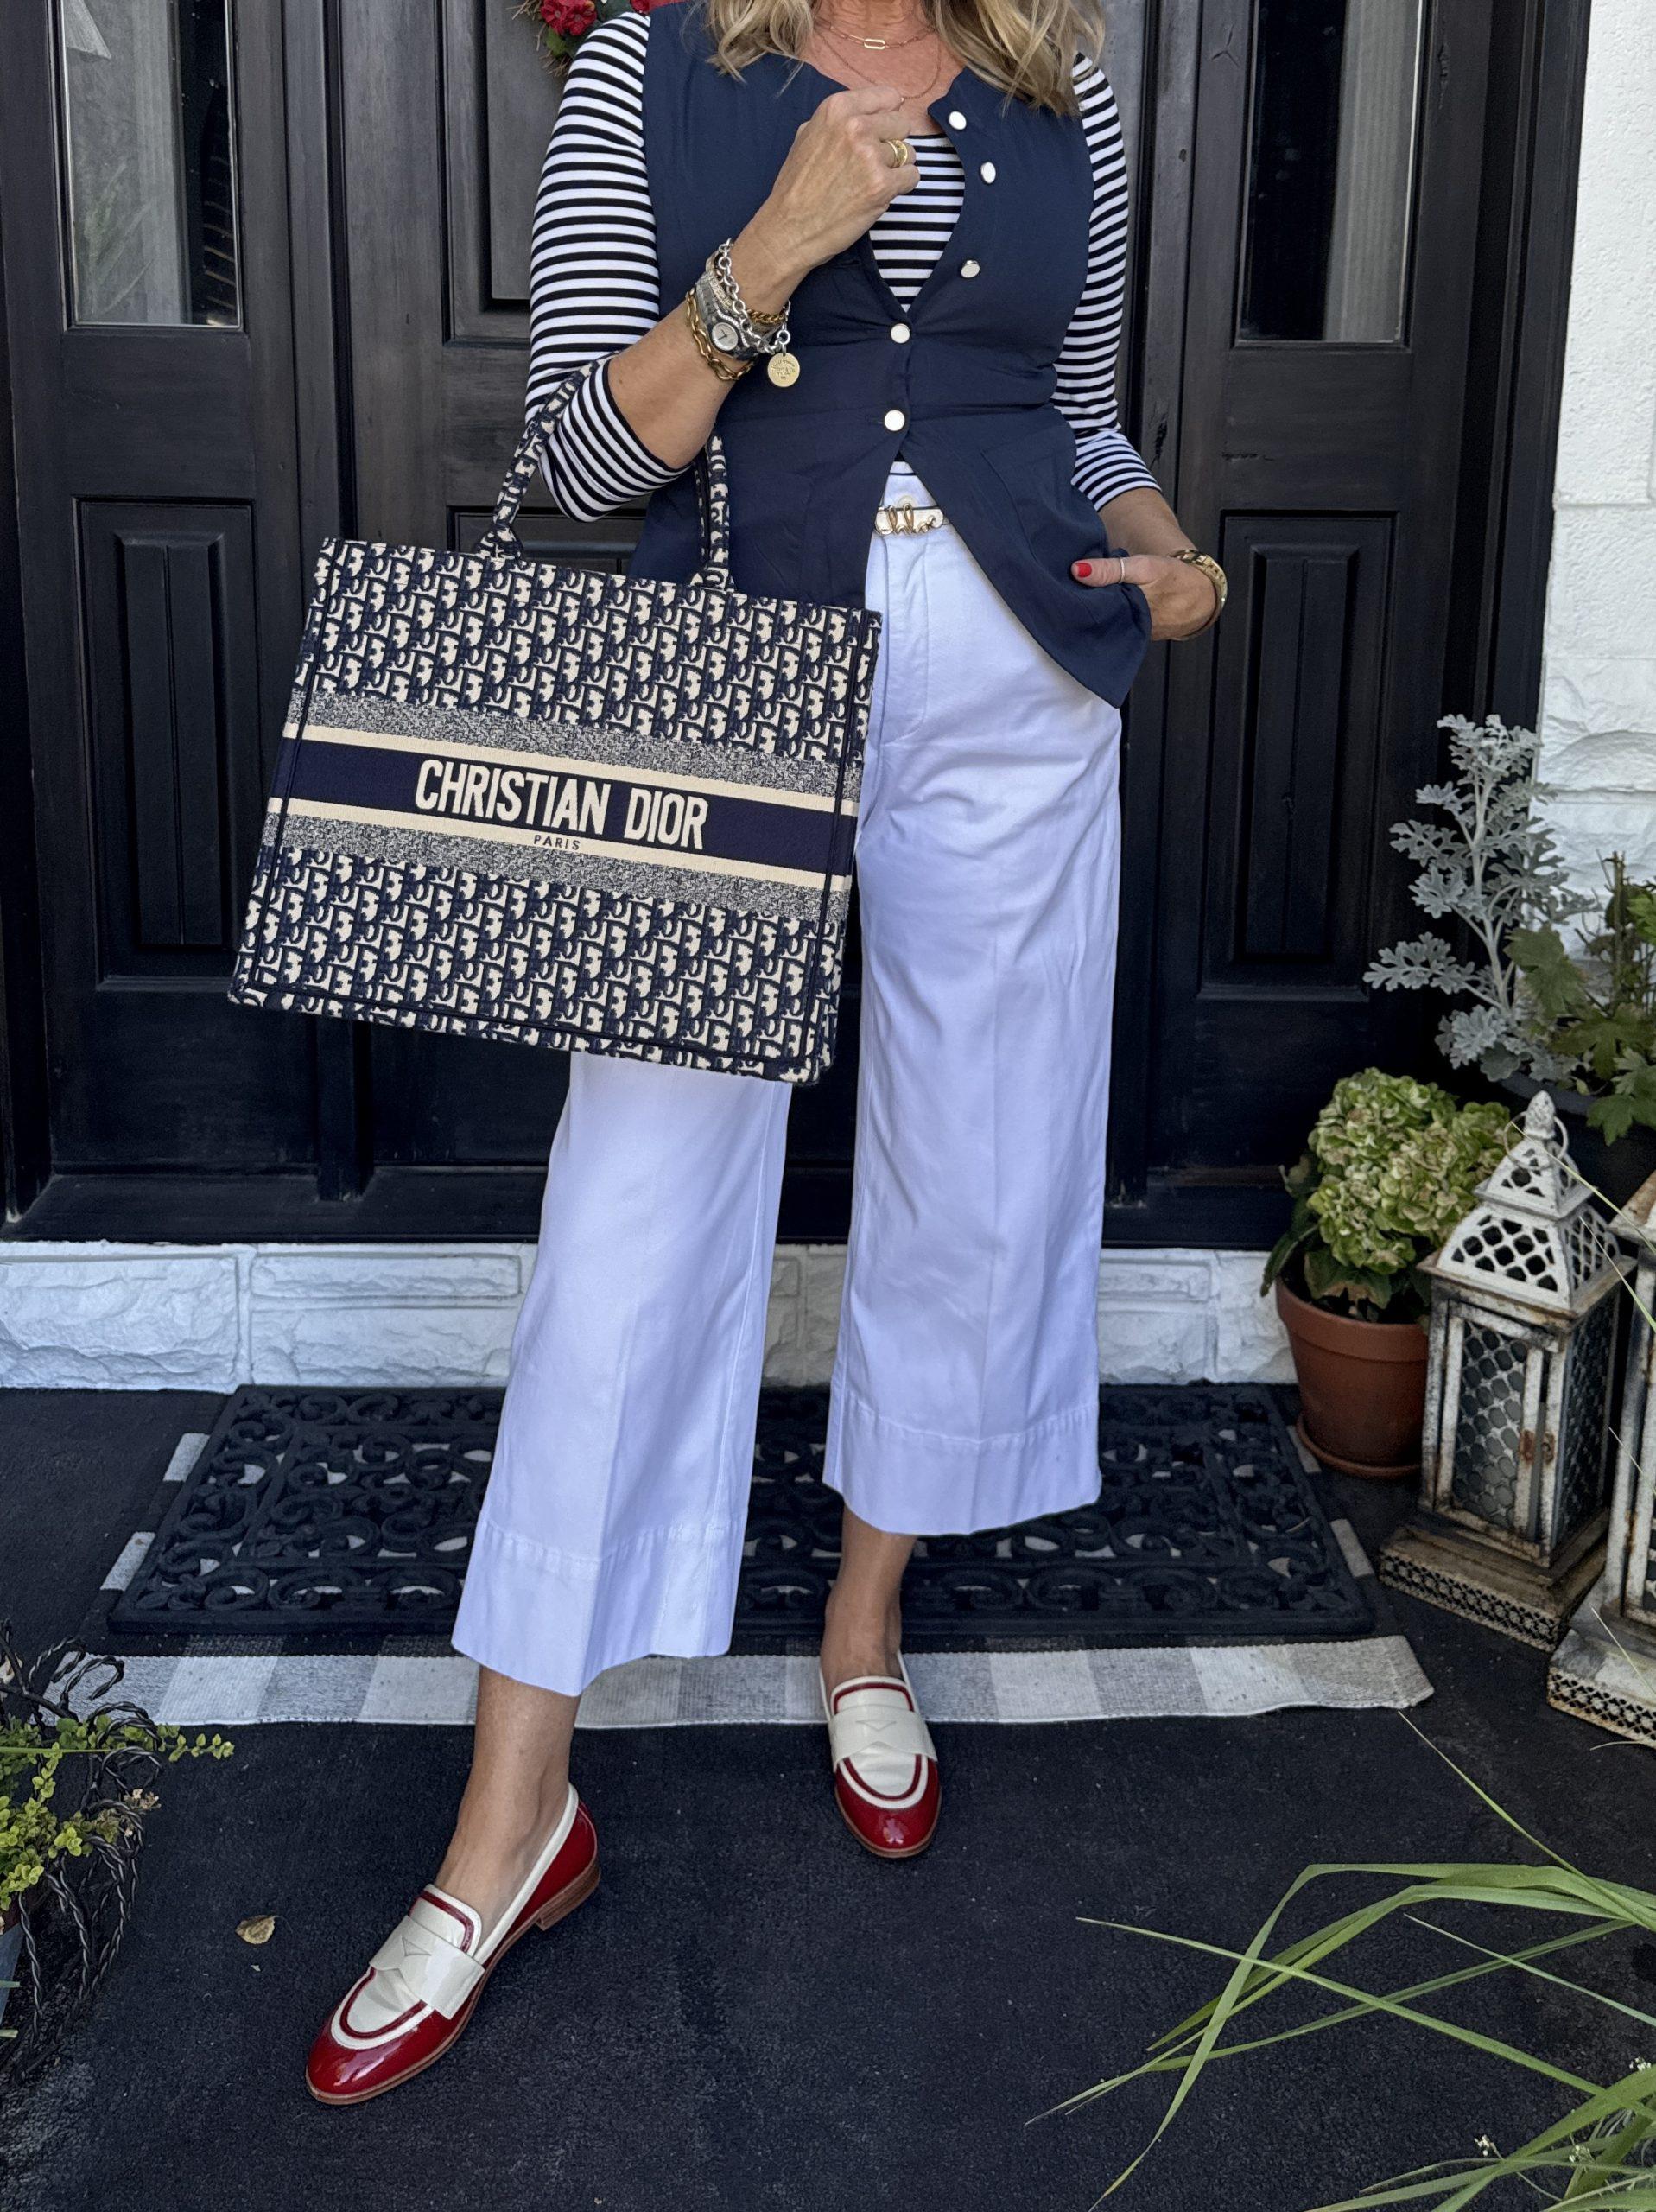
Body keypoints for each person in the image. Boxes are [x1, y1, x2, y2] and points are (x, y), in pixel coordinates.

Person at [305, 0, 1222, 2104]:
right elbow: (582, 452)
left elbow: (1075, 411)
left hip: (1017, 691)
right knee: (627, 1225)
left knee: (973, 1164)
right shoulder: (648, 66)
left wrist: (1163, 546)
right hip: (725, 685)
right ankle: (511, 1813)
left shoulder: (1048, 80)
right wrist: (770, 253)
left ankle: (860, 1626)